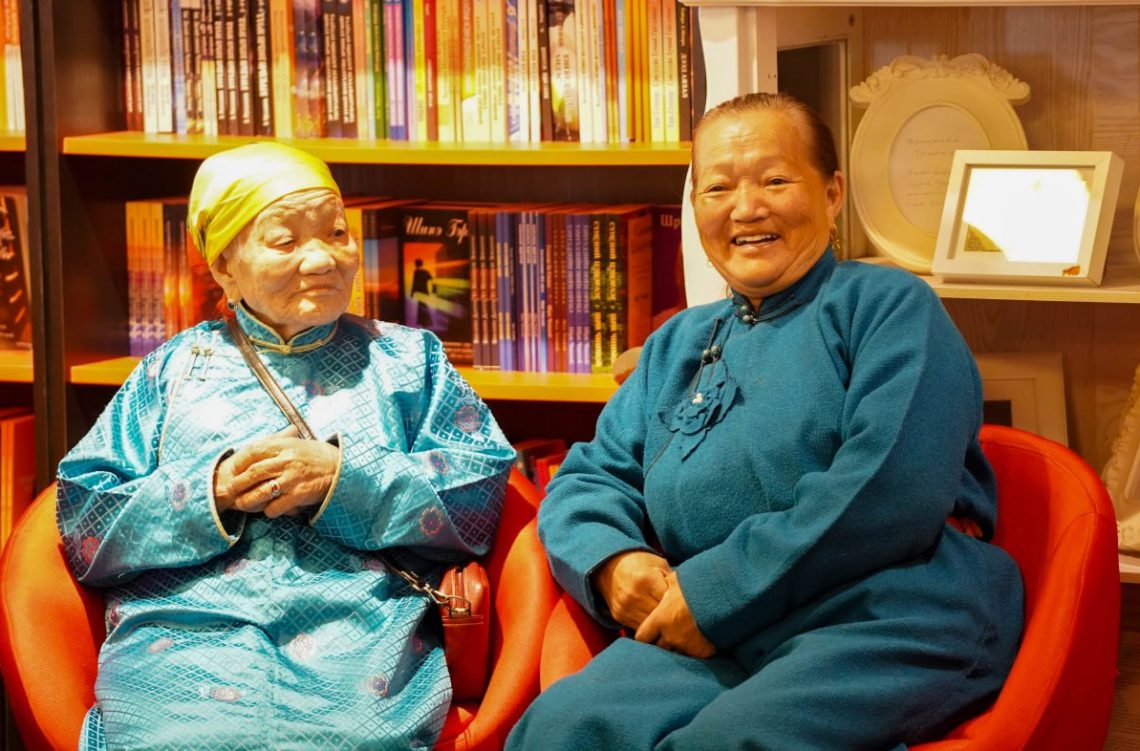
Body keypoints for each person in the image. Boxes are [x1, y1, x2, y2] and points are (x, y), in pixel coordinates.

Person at [506, 92, 1023, 751]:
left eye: (775, 180)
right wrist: (612, 561)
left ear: (832, 193)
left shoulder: (889, 306)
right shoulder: (676, 343)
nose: (745, 208)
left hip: (884, 613)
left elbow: (890, 488)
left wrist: (717, 591)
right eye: (717, 186)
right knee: (560, 729)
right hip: (716, 630)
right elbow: (588, 477)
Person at [56, 142, 515, 750]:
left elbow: (481, 493)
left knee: (352, 737)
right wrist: (209, 490)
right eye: (285, 241)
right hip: (184, 637)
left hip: (360, 635)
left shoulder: (409, 360)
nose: (323, 258)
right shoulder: (171, 371)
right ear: (224, 265)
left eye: (336, 233)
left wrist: (340, 478)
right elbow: (82, 518)